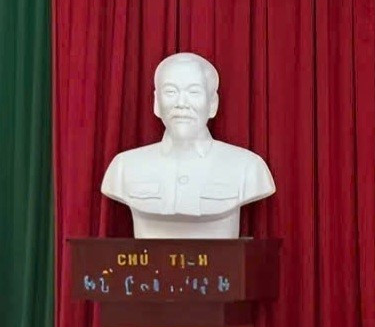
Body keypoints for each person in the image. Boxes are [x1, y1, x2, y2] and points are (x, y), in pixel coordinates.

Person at [100, 52, 276, 239]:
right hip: (148, 266)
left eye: (193, 92)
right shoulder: (124, 167)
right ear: (156, 103)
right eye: (171, 92)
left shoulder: (248, 167)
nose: (181, 103)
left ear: (212, 103)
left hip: (221, 267)